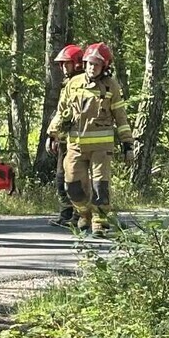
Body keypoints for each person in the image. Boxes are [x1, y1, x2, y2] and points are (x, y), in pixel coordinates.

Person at [46, 42, 134, 236]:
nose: (92, 68)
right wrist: (52, 134)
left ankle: (100, 222)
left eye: (96, 64)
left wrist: (128, 143)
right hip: (76, 146)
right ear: (84, 64)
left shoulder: (111, 86)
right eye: (89, 63)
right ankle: (84, 214)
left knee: (100, 187)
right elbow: (62, 113)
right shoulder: (73, 84)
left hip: (101, 148)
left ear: (105, 66)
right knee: (73, 187)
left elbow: (120, 116)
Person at [49, 44, 86, 226]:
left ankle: (79, 216)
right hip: (64, 140)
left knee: (74, 180)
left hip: (77, 141)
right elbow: (61, 112)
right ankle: (66, 214)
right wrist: (54, 135)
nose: (63, 67)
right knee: (61, 179)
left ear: (77, 63)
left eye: (67, 63)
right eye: (61, 64)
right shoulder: (67, 84)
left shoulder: (81, 84)